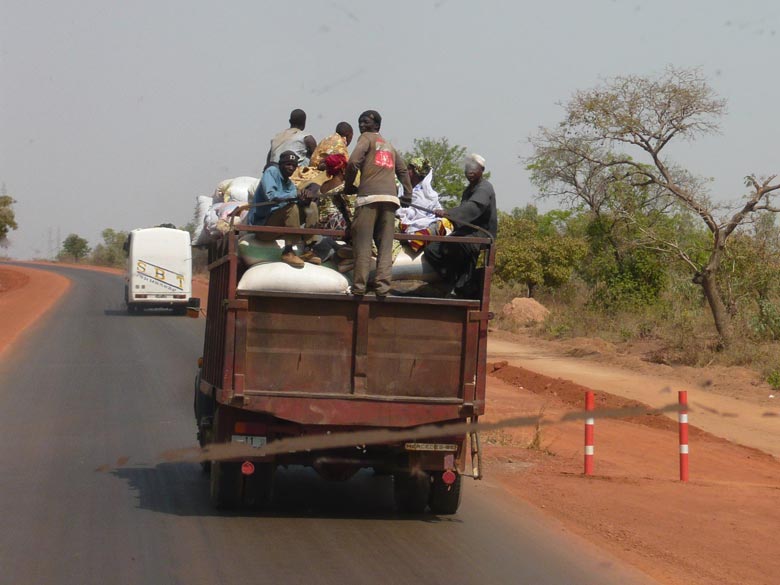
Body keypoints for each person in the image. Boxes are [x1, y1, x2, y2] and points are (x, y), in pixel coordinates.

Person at [344, 110, 413, 297]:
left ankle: (359, 287)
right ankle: (383, 287)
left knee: (363, 243)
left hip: (369, 199)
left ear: (376, 125)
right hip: (390, 201)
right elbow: (403, 170)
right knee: (385, 246)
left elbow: (352, 163)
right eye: (359, 122)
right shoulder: (389, 145)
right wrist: (408, 193)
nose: (361, 125)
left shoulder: (366, 139)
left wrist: (348, 186)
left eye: (365, 122)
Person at [424, 153, 496, 297]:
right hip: (465, 231)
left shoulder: (484, 188)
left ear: (482, 170)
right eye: (468, 168)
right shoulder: (468, 190)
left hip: (480, 233)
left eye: (474, 169)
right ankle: (452, 281)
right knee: (432, 250)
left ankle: (462, 285)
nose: (470, 172)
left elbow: (472, 209)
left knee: (460, 246)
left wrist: (447, 213)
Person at [251, 151, 319, 268]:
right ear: (281, 164)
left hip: (279, 227)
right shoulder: (271, 172)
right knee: (291, 208)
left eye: (293, 165)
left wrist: (305, 199)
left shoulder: (290, 184)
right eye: (288, 164)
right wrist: (296, 195)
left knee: (311, 206)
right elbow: (271, 196)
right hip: (263, 226)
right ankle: (288, 251)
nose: (291, 168)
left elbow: (296, 198)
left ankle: (308, 248)